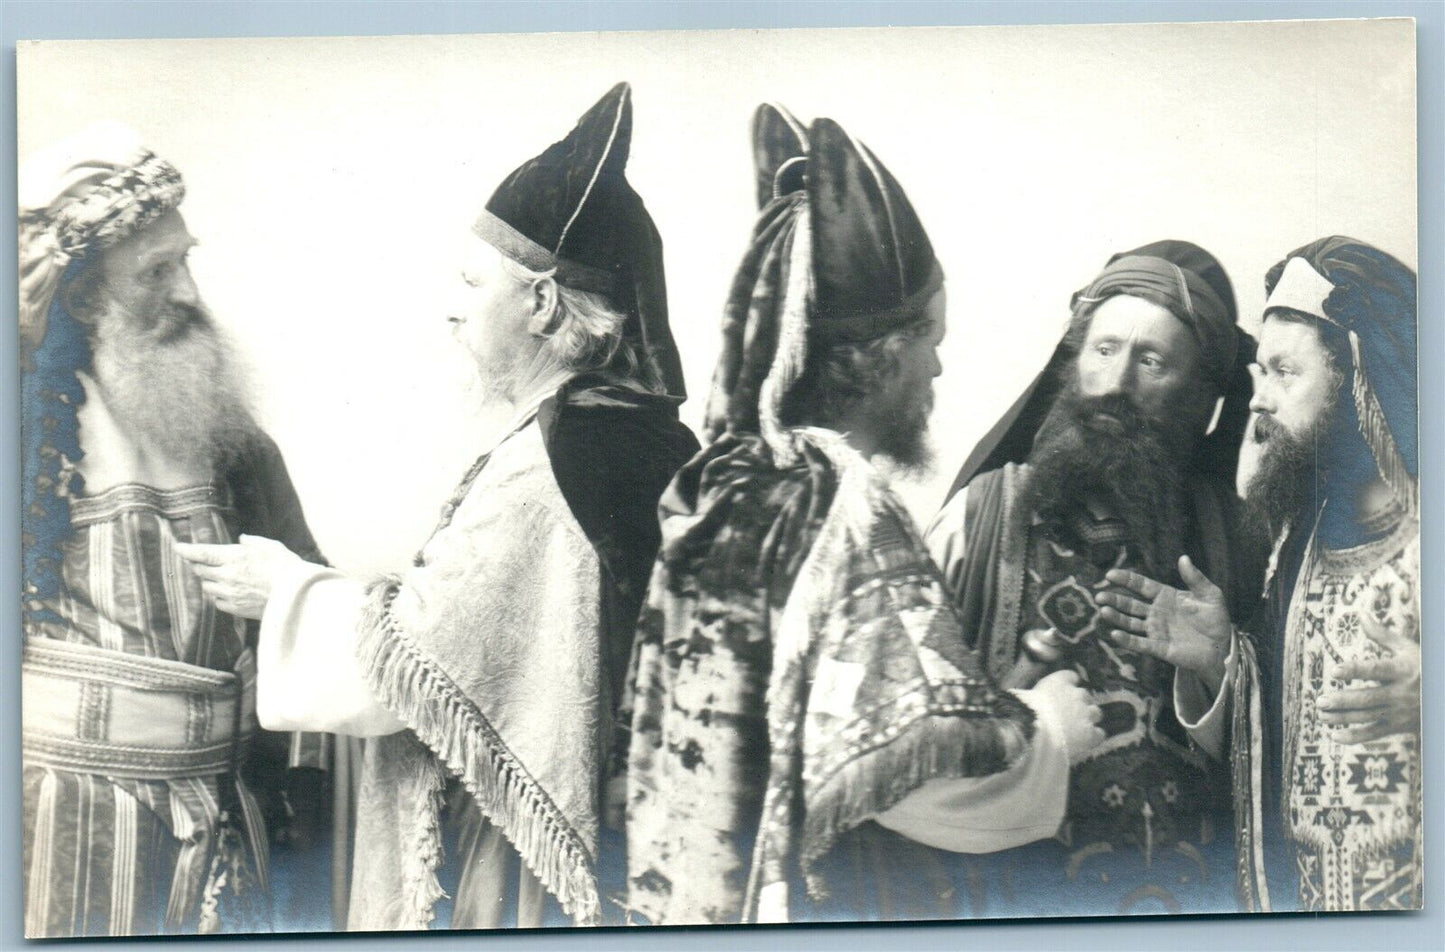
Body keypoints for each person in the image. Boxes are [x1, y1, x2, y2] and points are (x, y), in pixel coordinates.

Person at [176, 83, 699, 930]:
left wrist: (289, 592)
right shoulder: (623, 434)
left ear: (540, 302)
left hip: (535, 868)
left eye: (472, 282)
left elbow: (417, 667)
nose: (454, 307)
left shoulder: (558, 457)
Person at [616, 104, 1103, 927]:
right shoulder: (846, 511)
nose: (938, 364)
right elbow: (911, 773)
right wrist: (1051, 729)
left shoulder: (728, 483)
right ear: (876, 357)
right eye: (929, 337)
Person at [19, 124, 327, 937]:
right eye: (156, 271)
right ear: (80, 295)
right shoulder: (24, 422)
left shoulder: (219, 422)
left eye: (186, 258)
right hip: (62, 818)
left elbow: (301, 590)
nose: (189, 291)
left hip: (221, 814)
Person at [925, 240, 1264, 916]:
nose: (1115, 384)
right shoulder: (981, 515)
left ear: (1201, 397)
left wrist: (1225, 667)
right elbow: (900, 730)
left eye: (1152, 361)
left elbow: (1299, 754)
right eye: (1103, 350)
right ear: (1072, 362)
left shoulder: (1240, 539)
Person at [1101, 237, 1420, 912]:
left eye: (1283, 373)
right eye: (1255, 377)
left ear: (1357, 377)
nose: (1257, 401)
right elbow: (1279, 743)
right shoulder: (1297, 547)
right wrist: (1223, 661)